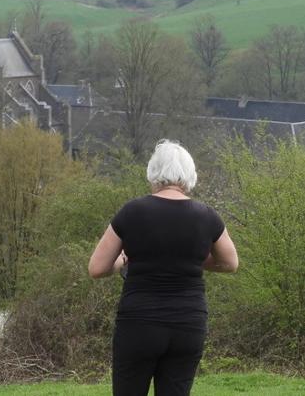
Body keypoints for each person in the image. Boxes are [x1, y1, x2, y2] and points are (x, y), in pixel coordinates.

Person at [88, 140, 238, 396]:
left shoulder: (132, 212)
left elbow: (97, 268)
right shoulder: (207, 216)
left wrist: (123, 260)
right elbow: (230, 263)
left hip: (139, 324)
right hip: (188, 325)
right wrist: (192, 258)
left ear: (153, 172)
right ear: (190, 174)